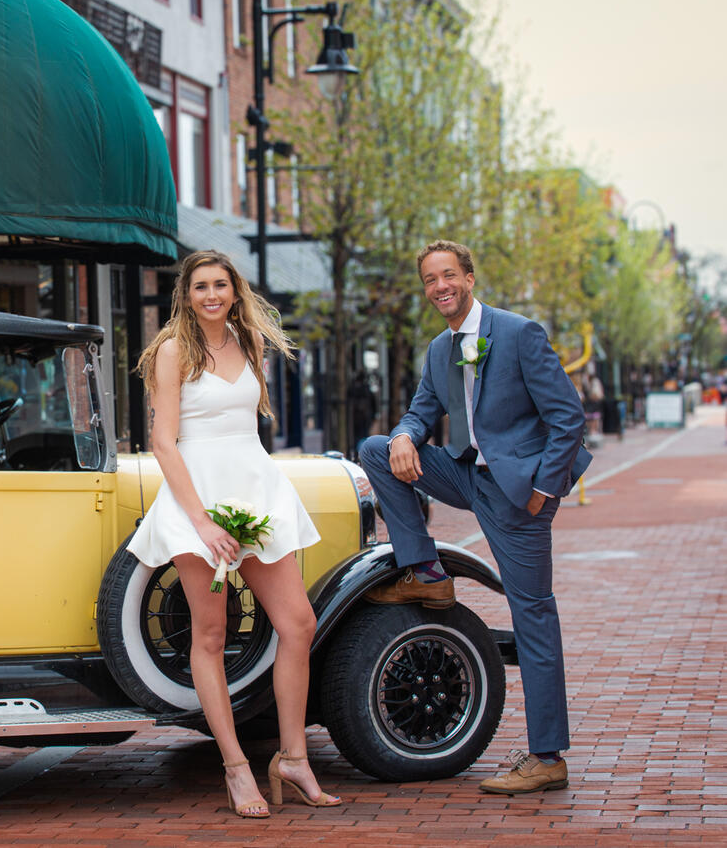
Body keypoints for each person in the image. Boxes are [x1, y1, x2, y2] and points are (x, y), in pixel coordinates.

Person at [360, 240, 590, 796]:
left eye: (449, 275)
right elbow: (420, 412)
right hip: (465, 475)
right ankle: (427, 572)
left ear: (468, 277)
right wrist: (404, 437)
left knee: (532, 613)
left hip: (517, 493)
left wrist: (541, 490)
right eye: (430, 279)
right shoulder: (440, 350)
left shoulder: (518, 333)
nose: (440, 286)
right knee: (374, 450)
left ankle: (546, 756)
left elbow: (569, 419)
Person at [128, 250, 338, 818]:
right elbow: (164, 441)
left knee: (298, 622)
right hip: (198, 500)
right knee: (212, 634)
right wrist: (201, 521)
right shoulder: (172, 350)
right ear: (187, 294)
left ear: (234, 289)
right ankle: (237, 768)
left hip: (256, 489)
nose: (211, 295)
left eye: (220, 284)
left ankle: (293, 758)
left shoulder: (251, 344)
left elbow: (246, 427)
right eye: (200, 286)